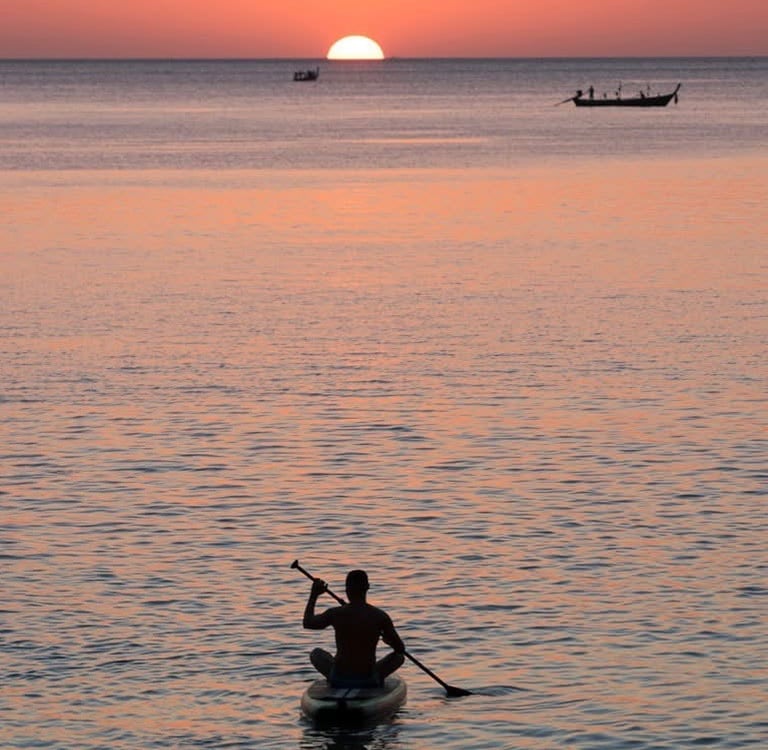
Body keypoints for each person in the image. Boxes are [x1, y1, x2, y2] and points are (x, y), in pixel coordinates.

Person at [303, 569, 405, 688]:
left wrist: (314, 595)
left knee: (316, 654)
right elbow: (400, 649)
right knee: (399, 657)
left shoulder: (336, 613)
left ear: (347, 590)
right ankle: (376, 677)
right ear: (367, 588)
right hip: (368, 678)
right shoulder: (380, 616)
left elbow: (308, 622)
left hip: (339, 677)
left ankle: (338, 677)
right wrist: (389, 641)